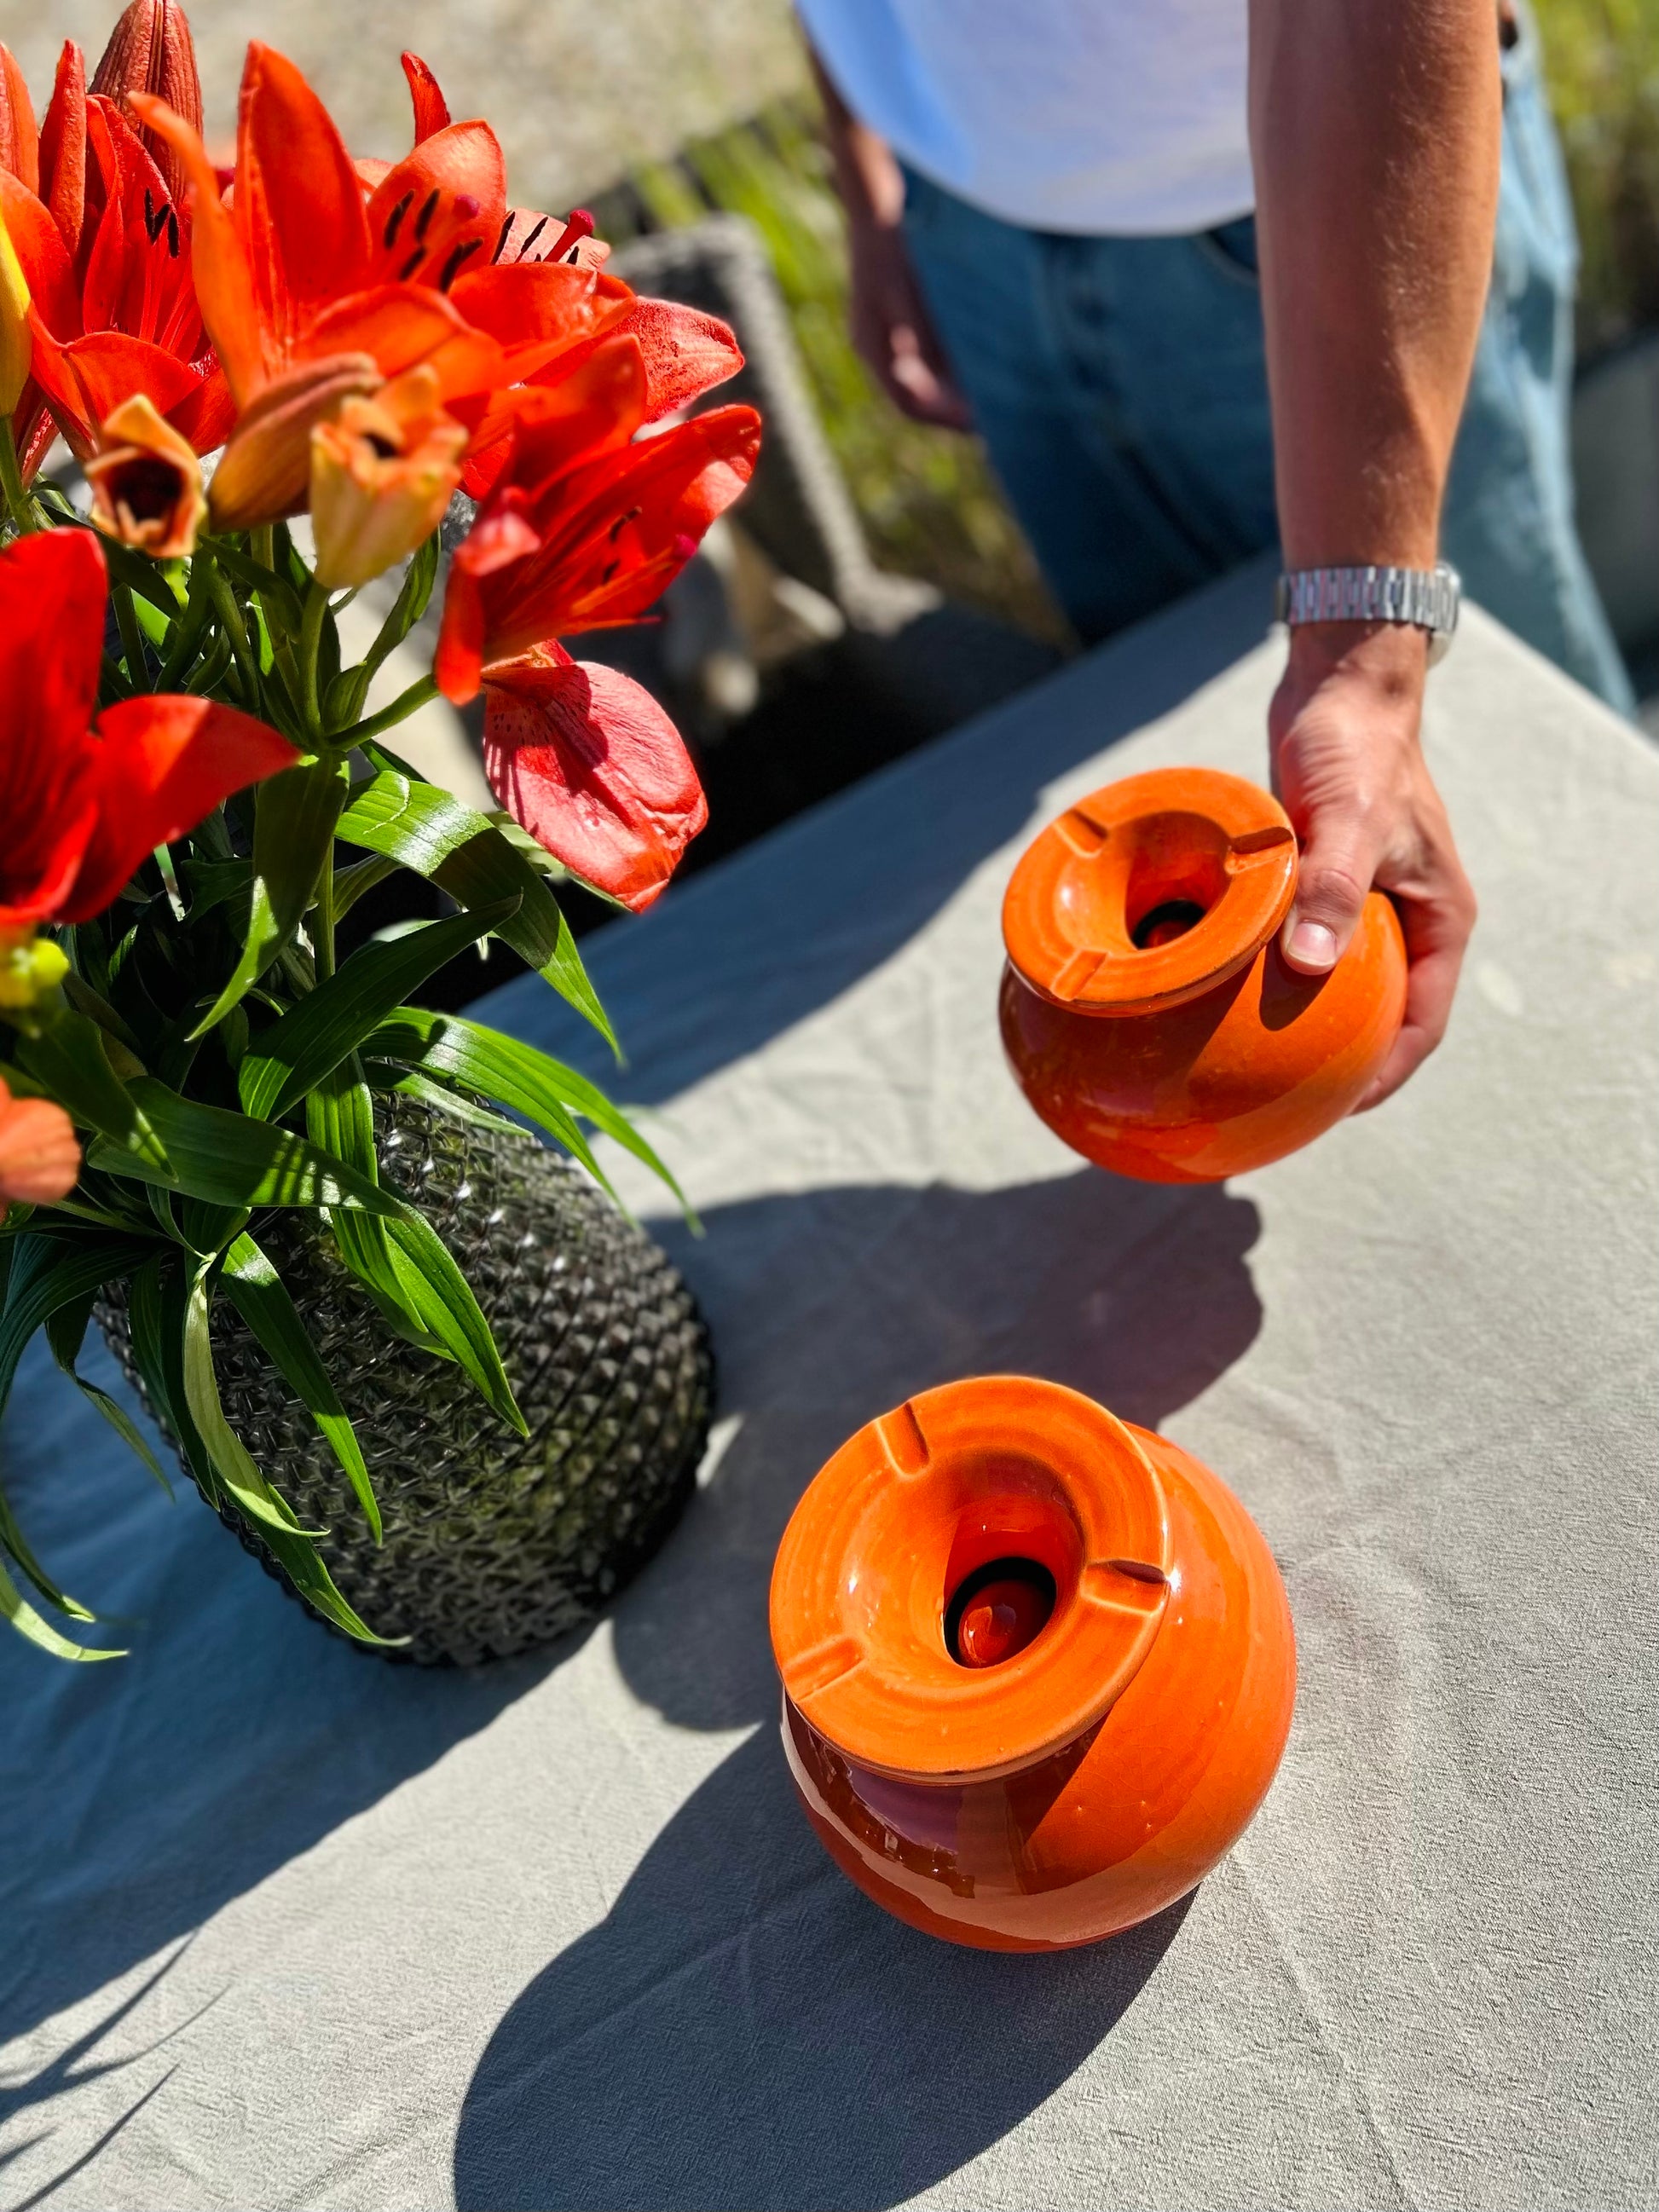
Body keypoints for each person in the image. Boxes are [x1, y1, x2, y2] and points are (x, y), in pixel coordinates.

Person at [798, 0, 1633, 1106]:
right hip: (968, 217)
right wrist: (866, 167)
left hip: (1330, 193)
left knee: (1537, 848)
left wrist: (1360, 649)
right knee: (1229, 847)